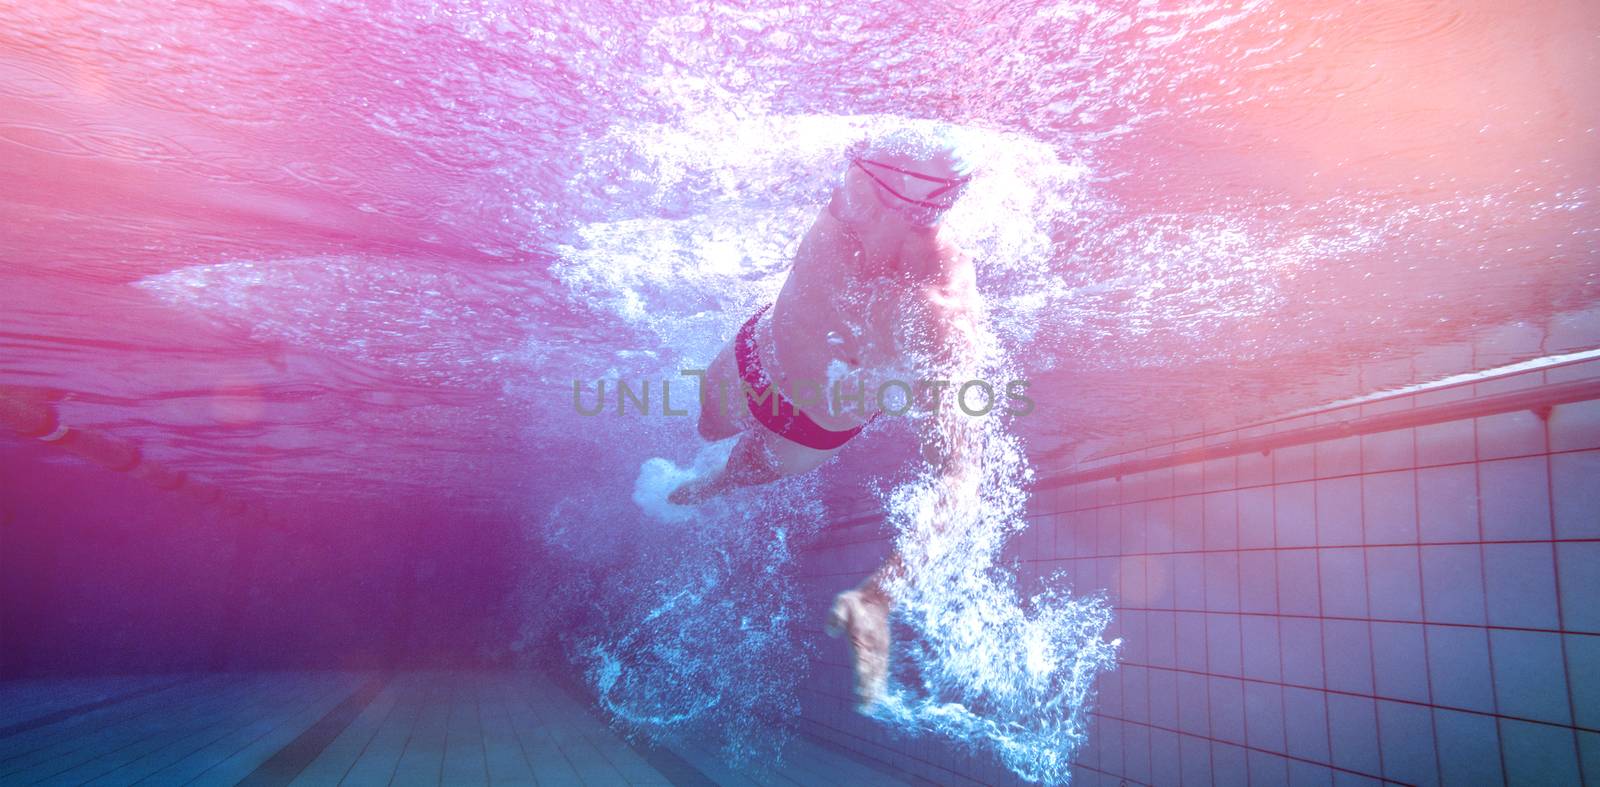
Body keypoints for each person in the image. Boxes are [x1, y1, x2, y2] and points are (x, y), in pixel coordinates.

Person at [659, 126, 988, 710]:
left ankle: (707, 485)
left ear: (900, 198)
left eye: (855, 173)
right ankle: (698, 473)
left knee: (727, 476)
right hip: (753, 354)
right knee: (706, 428)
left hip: (804, 429)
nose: (841, 182)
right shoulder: (847, 207)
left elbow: (960, 477)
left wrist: (883, 593)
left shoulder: (936, 312)